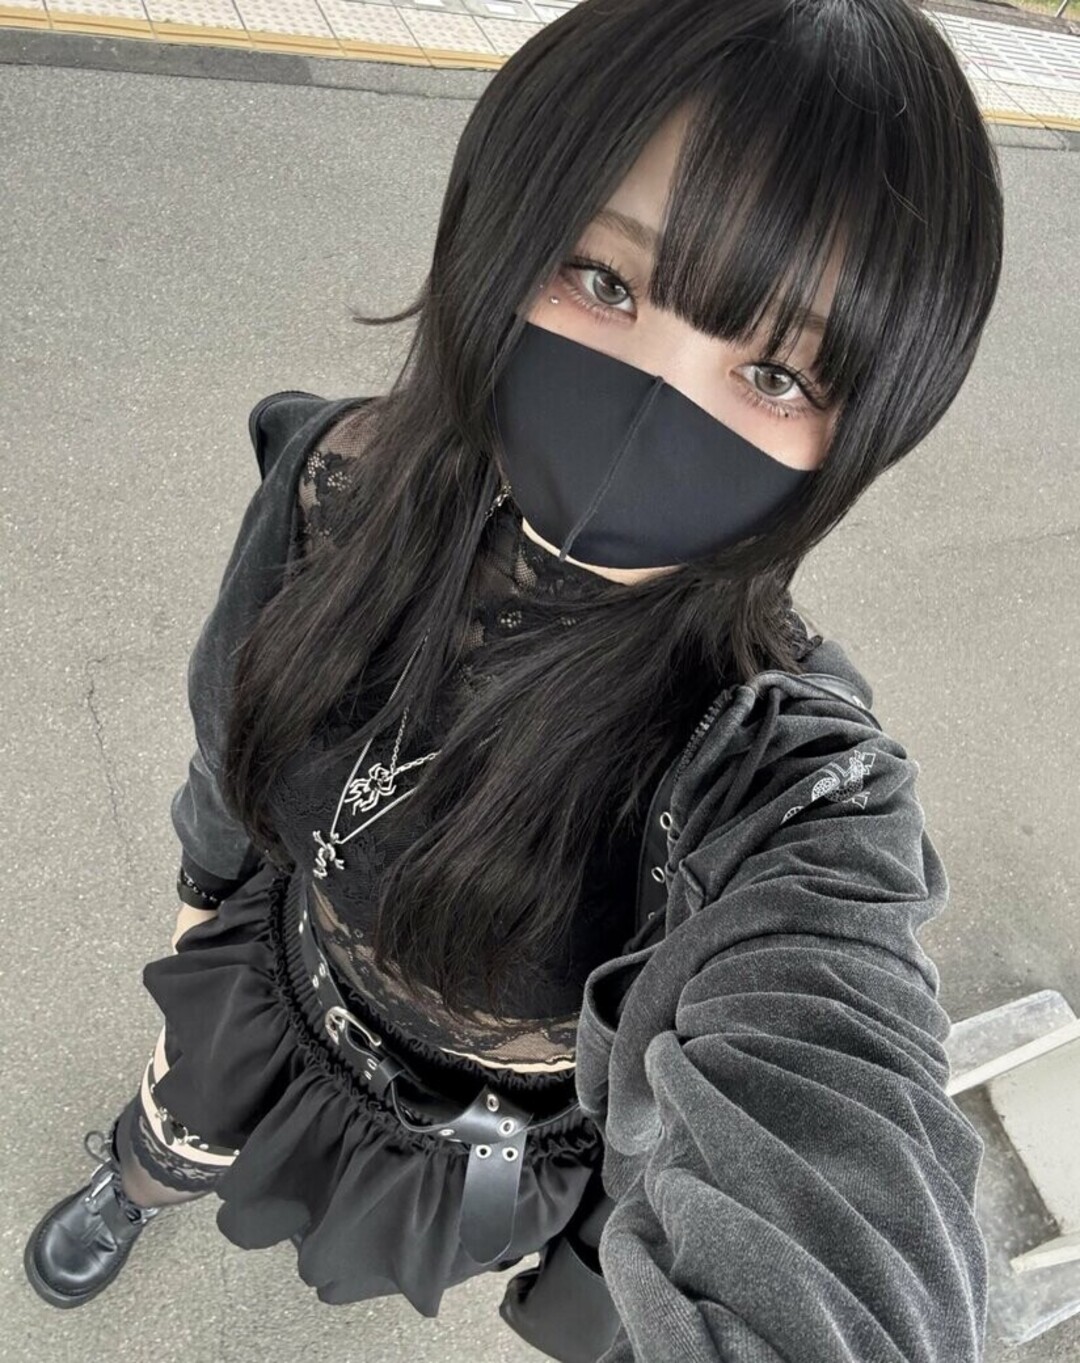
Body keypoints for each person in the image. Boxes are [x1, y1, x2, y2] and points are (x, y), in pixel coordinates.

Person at [23, 0, 1004, 1357]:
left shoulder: (773, 772)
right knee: (180, 1116)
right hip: (276, 973)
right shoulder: (341, 480)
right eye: (605, 281)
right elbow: (224, 709)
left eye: (776, 372)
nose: (650, 408)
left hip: (483, 1128)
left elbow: (838, 1121)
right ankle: (136, 1181)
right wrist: (201, 893)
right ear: (502, 227)